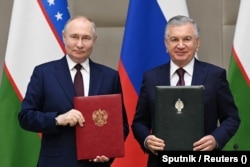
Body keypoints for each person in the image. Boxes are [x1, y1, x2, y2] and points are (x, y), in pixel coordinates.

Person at [18, 16, 129, 167]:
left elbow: (121, 125)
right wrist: (57, 119)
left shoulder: (110, 77)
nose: (80, 44)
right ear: (64, 36)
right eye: (74, 37)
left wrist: (108, 152)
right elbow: (25, 117)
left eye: (86, 38)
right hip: (56, 163)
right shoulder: (44, 73)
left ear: (94, 40)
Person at [131, 15, 240, 167]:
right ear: (166, 44)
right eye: (174, 39)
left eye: (187, 39)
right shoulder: (151, 77)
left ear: (197, 43)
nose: (180, 45)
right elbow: (139, 122)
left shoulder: (215, 76)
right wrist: (147, 140)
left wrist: (215, 139)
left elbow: (232, 118)